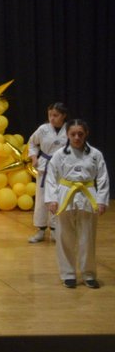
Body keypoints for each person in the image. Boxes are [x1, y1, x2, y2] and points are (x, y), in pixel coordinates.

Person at [44, 119, 109, 288]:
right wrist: (52, 199)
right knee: (65, 236)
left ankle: (88, 274)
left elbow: (102, 178)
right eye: (73, 134)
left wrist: (101, 200)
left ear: (86, 134)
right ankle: (68, 273)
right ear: (67, 135)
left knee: (87, 237)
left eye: (80, 134)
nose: (77, 137)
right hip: (65, 195)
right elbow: (51, 177)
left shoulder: (95, 154)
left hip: (88, 196)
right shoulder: (59, 155)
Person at [27, 102, 68, 243]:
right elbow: (32, 143)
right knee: (42, 199)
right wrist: (33, 157)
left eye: (55, 115)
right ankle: (40, 230)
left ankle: (56, 229)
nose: (52, 118)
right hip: (44, 167)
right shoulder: (43, 129)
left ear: (63, 116)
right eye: (50, 115)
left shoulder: (69, 129)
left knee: (58, 198)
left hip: (62, 168)